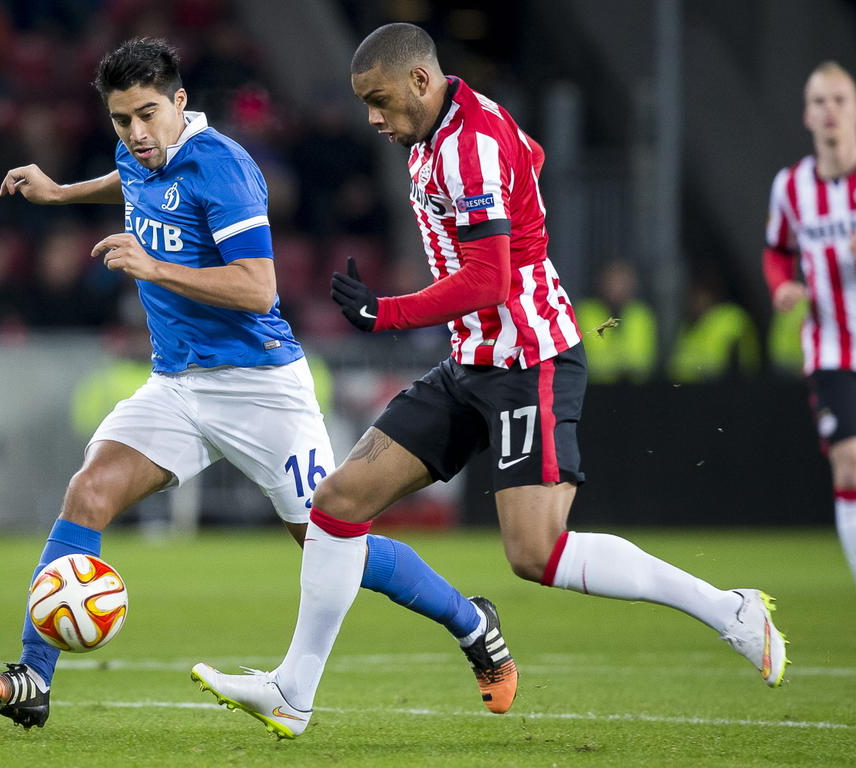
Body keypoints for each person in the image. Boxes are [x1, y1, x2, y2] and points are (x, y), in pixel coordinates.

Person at [192, 23, 790, 740]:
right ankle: (293, 690)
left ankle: (730, 610)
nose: (373, 119)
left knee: (535, 553)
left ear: (420, 80)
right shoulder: (449, 133)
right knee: (338, 503)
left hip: (529, 361)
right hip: (471, 362)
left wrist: (388, 313)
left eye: (379, 100)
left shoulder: (469, 144)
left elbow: (490, 276)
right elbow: (529, 158)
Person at [0, 37, 513, 731]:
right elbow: (130, 180)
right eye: (121, 120)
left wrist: (154, 269)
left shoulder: (223, 169)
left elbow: (259, 289)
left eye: (148, 115)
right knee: (89, 490)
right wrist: (62, 191)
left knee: (330, 543)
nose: (135, 134)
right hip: (179, 385)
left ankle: (472, 622)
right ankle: (32, 678)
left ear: (181, 103)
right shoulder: (139, 154)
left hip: (260, 388)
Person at [764, 60, 856, 586]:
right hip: (830, 346)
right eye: (819, 101)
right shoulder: (791, 186)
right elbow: (776, 251)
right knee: (847, 463)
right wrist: (782, 286)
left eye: (839, 100)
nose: (829, 111)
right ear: (806, 113)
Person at [575, 259, 657, 384]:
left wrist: (618, 363)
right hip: (595, 388)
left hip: (636, 389)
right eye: (612, 281)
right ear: (601, 282)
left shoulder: (641, 314)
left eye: (621, 282)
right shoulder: (587, 312)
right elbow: (593, 359)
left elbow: (643, 360)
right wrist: (623, 363)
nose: (616, 287)